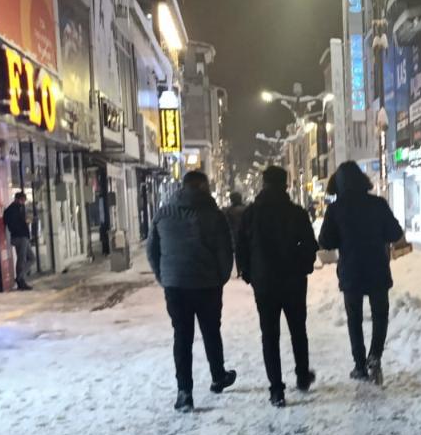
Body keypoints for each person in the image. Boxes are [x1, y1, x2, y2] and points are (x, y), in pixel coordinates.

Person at [148, 171, 238, 413]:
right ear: (202, 187)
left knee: (182, 336)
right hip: (207, 284)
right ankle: (218, 376)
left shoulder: (163, 214)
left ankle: (184, 392)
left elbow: (152, 250)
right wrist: (221, 277)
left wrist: (163, 276)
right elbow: (225, 250)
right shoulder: (213, 215)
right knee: (211, 331)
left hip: (175, 286)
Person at [237, 166, 318, 407]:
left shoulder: (251, 214)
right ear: (285, 184)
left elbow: (240, 247)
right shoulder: (296, 213)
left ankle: (276, 389)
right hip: (293, 281)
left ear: (263, 183)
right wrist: (304, 267)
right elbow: (310, 246)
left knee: (269, 335)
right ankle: (302, 377)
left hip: (264, 283)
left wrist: (250, 275)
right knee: (298, 330)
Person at [318, 161, 404, 385]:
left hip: (351, 272)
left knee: (354, 319)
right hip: (377, 268)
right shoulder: (378, 204)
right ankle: (375, 357)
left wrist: (343, 237)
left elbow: (325, 241)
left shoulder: (336, 209)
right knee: (380, 315)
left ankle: (359, 366)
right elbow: (395, 233)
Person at [2, 192, 33, 291]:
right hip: (20, 237)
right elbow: (13, 224)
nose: (23, 202)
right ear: (18, 199)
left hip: (22, 236)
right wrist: (24, 223)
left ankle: (20, 278)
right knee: (22, 259)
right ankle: (20, 279)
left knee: (31, 258)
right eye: (23, 200)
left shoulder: (17, 209)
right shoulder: (13, 210)